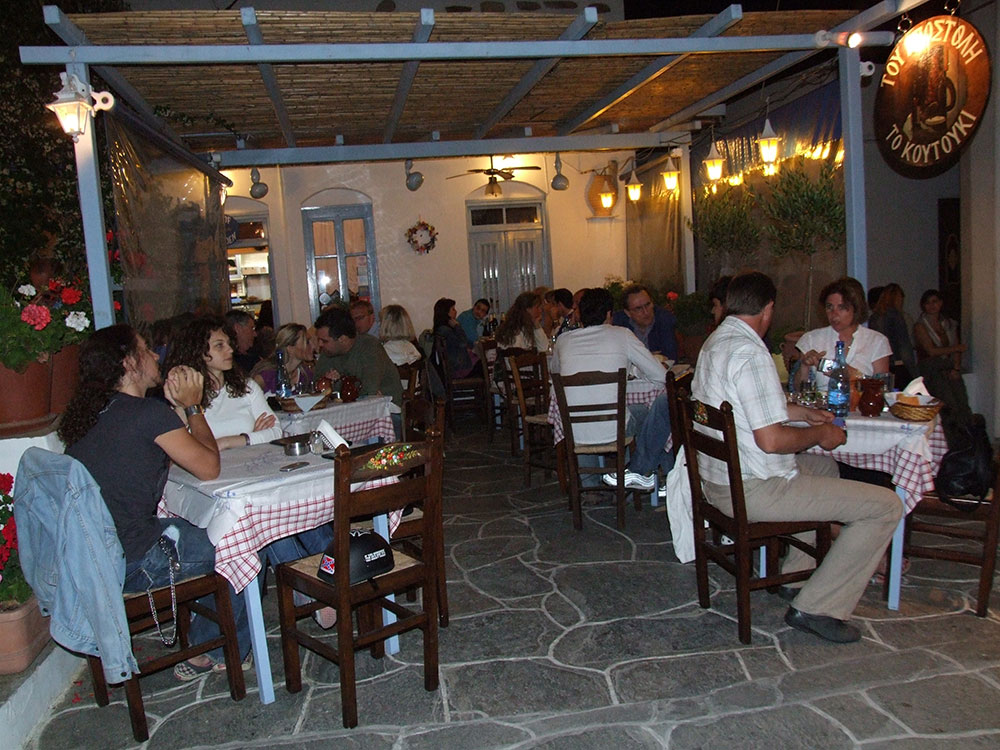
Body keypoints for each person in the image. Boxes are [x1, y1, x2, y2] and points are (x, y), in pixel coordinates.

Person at [692, 271, 901, 643]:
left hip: (721, 478)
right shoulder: (749, 351)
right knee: (885, 506)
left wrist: (803, 413)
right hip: (754, 488)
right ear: (768, 309)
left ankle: (800, 569)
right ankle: (818, 606)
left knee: (824, 465)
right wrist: (821, 433)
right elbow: (771, 441)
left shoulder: (716, 342)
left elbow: (749, 407)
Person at [59, 324, 252, 678]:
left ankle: (207, 634)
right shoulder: (146, 413)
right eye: (146, 350)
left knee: (202, 527)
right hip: (135, 560)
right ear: (129, 363)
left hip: (97, 556)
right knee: (236, 542)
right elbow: (209, 467)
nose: (155, 356)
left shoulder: (89, 414)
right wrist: (193, 406)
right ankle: (227, 649)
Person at [551, 288, 673, 491]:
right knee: (648, 411)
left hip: (574, 431)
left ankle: (590, 486)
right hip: (615, 430)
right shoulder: (622, 335)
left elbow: (554, 374)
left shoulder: (563, 341)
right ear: (609, 314)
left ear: (580, 314)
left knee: (581, 410)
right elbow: (661, 377)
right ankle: (633, 471)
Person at [164, 316, 282, 450]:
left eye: (229, 343)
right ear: (200, 352)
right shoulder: (188, 396)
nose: (230, 350)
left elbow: (276, 431)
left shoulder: (246, 387)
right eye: (219, 345)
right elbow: (183, 448)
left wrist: (224, 443)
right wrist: (252, 436)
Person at [795, 277, 891, 392]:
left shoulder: (877, 341)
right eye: (829, 307)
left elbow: (881, 390)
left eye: (841, 308)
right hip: (822, 407)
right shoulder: (811, 339)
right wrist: (805, 366)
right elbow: (796, 390)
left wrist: (848, 374)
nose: (834, 314)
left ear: (855, 309)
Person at [315, 306, 404, 407]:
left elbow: (369, 392)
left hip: (387, 410)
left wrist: (336, 384)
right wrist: (328, 382)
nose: (320, 344)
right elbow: (316, 387)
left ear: (342, 339)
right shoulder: (328, 352)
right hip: (348, 409)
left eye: (324, 341)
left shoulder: (370, 347)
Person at [913, 288, 971, 424]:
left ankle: (969, 437)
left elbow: (956, 349)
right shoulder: (920, 326)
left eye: (935, 301)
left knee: (962, 402)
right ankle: (953, 437)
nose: (932, 305)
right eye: (928, 303)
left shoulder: (949, 324)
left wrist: (956, 368)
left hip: (949, 366)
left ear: (941, 303)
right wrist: (956, 348)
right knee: (949, 404)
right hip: (932, 369)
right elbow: (931, 351)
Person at [611, 284, 679, 360]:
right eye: (638, 308)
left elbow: (671, 356)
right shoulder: (618, 324)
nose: (646, 312)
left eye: (648, 305)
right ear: (628, 313)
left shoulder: (664, 319)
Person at [868, 283, 918, 384]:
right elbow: (904, 346)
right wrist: (914, 372)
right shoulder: (896, 316)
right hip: (897, 363)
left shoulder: (874, 317)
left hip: (880, 363)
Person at [250, 323, 315, 394]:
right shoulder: (267, 375)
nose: (313, 346)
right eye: (307, 342)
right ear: (290, 347)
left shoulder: (306, 375)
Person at [432, 297, 478, 378]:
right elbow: (463, 343)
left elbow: (466, 343)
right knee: (484, 365)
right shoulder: (446, 331)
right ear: (446, 312)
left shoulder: (440, 329)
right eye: (453, 309)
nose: (456, 311)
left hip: (454, 367)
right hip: (459, 369)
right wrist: (458, 326)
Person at [225, 309, 260, 373]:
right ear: (237, 328)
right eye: (252, 328)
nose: (255, 334)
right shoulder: (232, 363)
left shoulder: (254, 355)